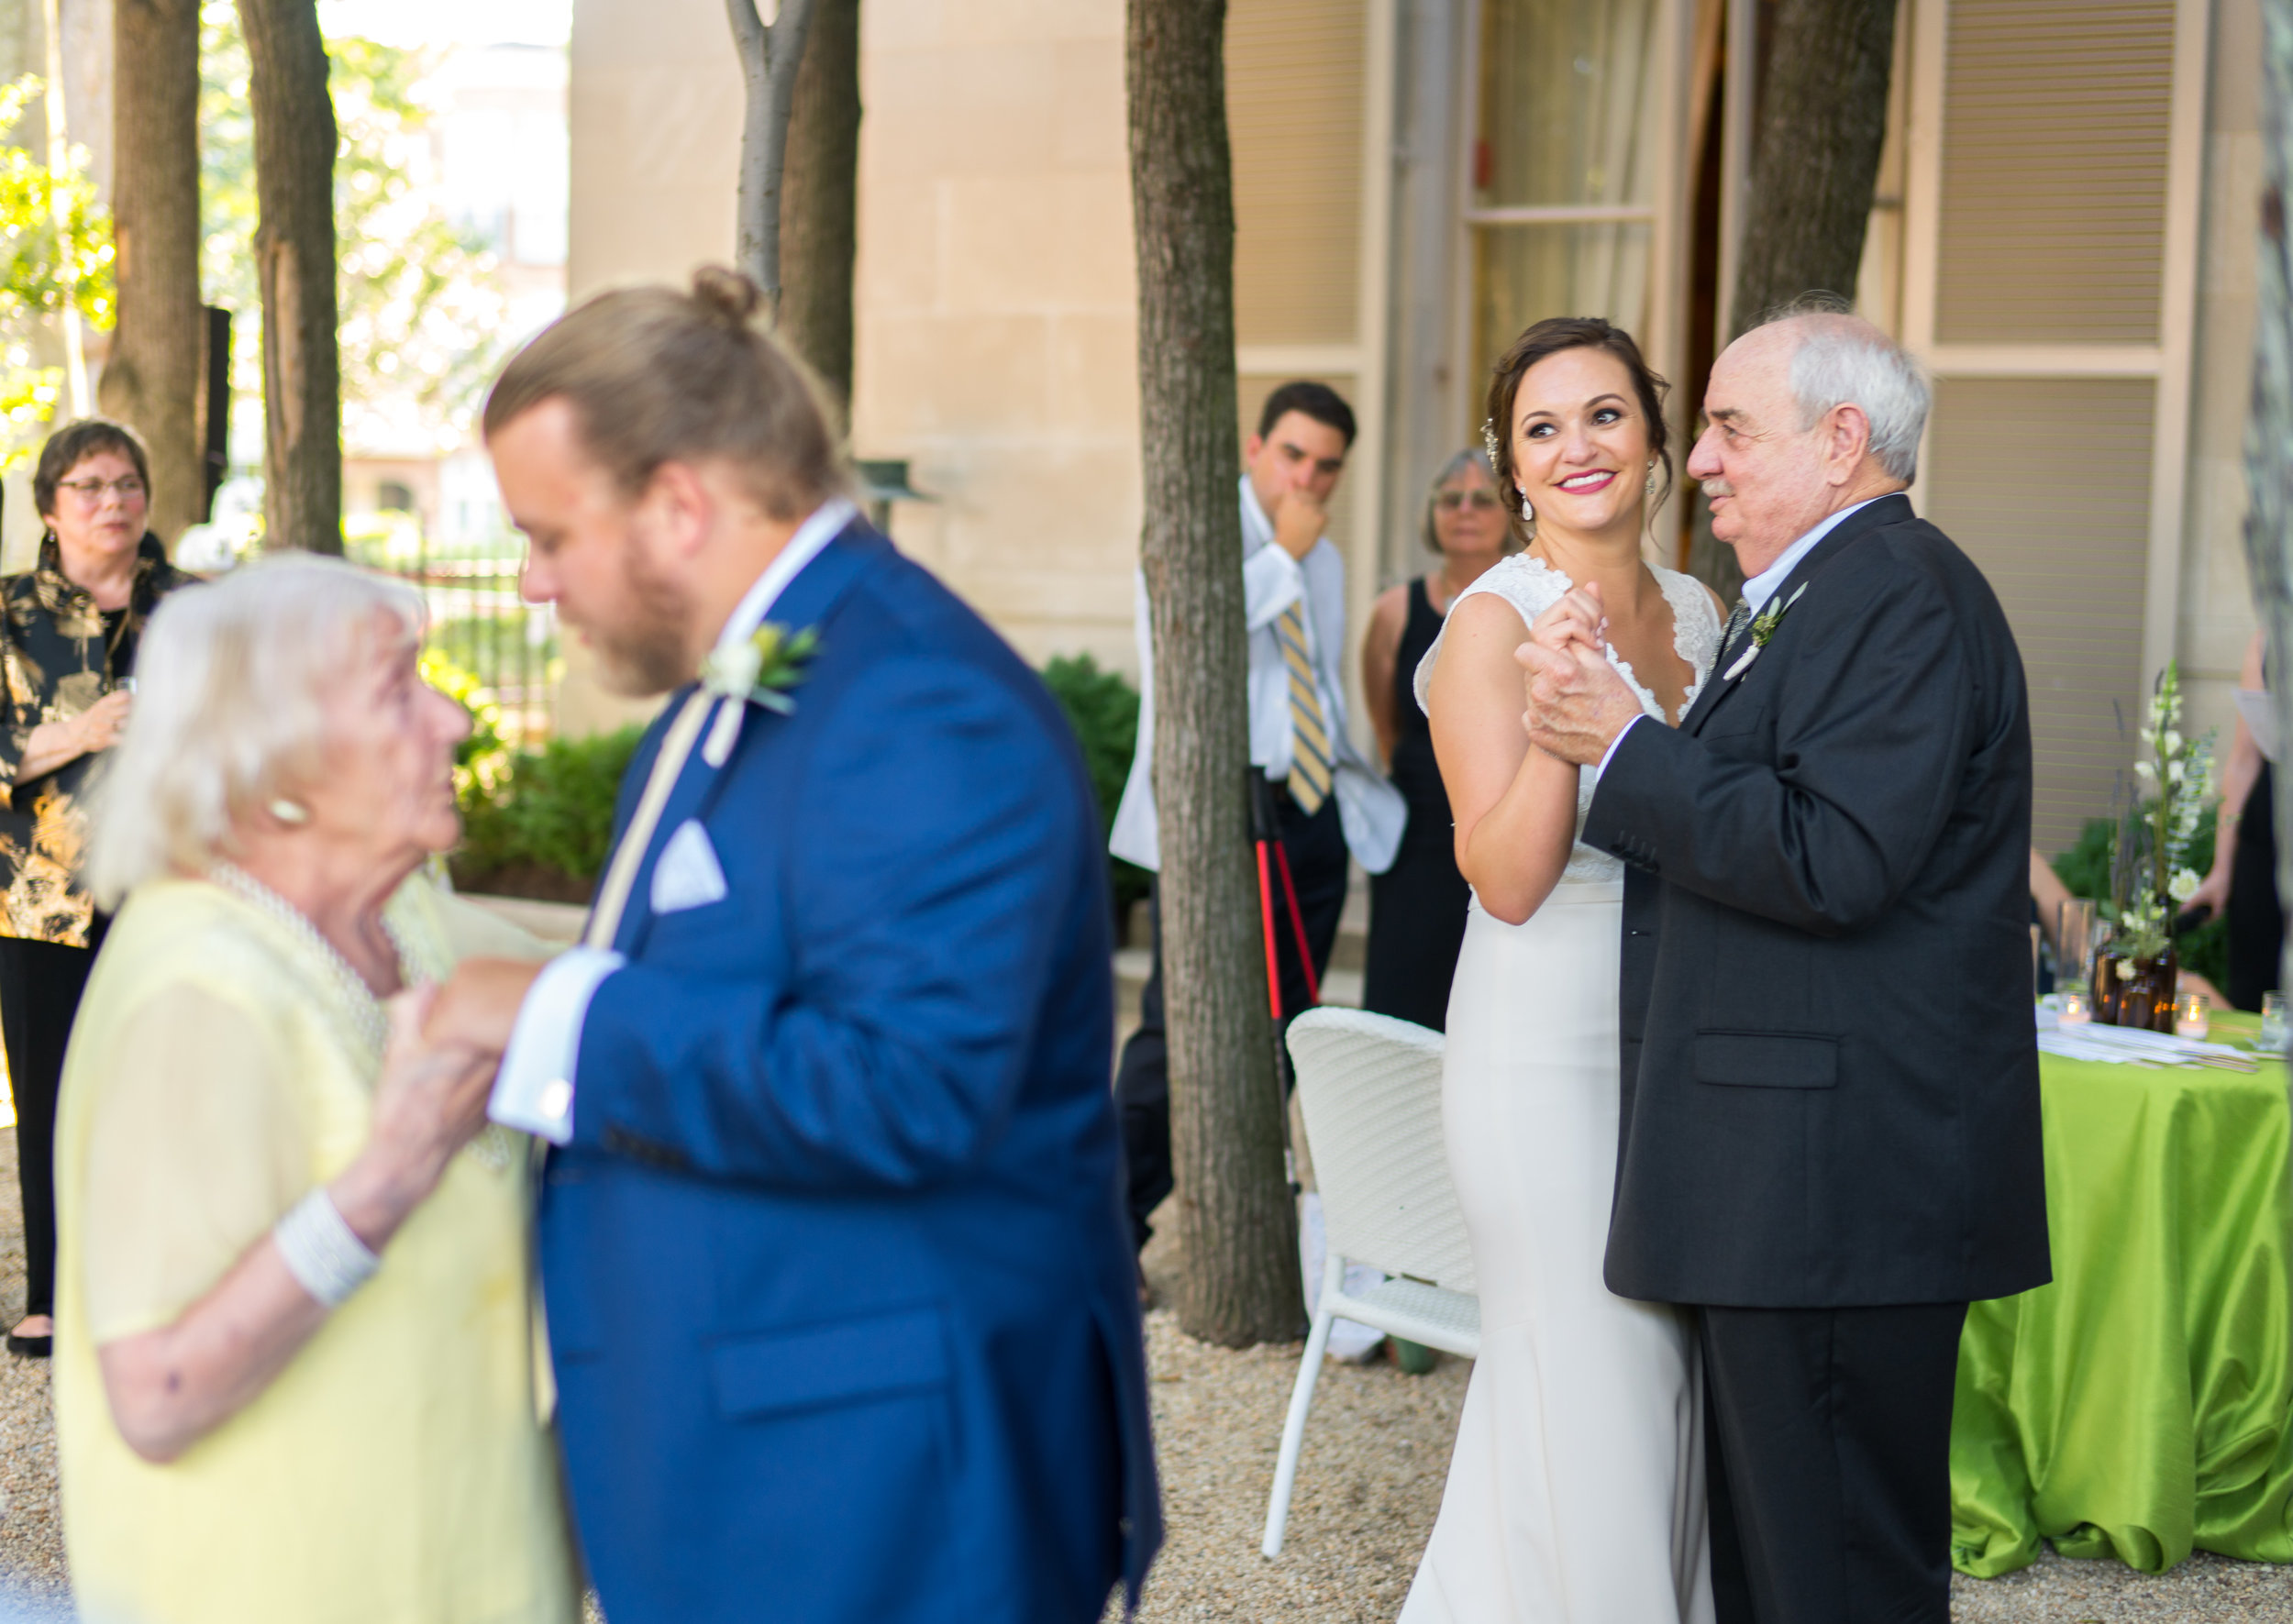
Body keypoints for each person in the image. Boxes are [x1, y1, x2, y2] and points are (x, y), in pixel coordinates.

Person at [427, 268, 1158, 1624]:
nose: (531, 580)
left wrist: (553, 1014)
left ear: (680, 502)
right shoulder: (719, 699)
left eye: (548, 532)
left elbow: (910, 1083)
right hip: (743, 1462)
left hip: (885, 1494)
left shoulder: (921, 703)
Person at [1523, 301, 2051, 1624]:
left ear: (1842, 441)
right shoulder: (1821, 590)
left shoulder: (1903, 595)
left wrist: (1623, 748)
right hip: (1794, 1180)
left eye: (1727, 427)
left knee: (1836, 1572)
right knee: (1776, 1565)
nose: (1697, 459)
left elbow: (1836, 857)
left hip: (1838, 1184)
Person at [51, 557, 577, 1623]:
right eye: (398, 689)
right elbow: (156, 1395)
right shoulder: (196, 992)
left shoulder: (404, 920)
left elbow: (604, 985)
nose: (451, 722)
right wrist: (388, 1179)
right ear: (272, 760)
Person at [1400, 319, 1723, 1622]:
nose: (1577, 445)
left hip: (1681, 1034)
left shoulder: (1701, 608)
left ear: (1653, 438)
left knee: (1660, 1378)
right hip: (1542, 1048)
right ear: (1511, 467)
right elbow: (1510, 879)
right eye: (1542, 427)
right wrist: (1560, 712)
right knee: (1592, 1368)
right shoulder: (1493, 620)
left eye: (1605, 414)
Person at [1108, 382, 1404, 1254]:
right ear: (1253, 447)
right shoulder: (1196, 532)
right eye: (1293, 455)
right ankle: (1108, 1226)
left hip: (1310, 812)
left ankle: (1248, 1218)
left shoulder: (1329, 557)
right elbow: (1189, 644)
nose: (1308, 477)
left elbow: (1312, 681)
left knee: (1287, 1031)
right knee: (1177, 1030)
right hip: (1220, 816)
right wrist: (1280, 553)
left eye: (1327, 465)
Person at [0, 418, 195, 1358]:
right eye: (88, 486)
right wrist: (80, 734)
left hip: (175, 883)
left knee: (167, 1081)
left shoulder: (196, 608)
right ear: (49, 506)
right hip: (42, 896)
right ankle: (51, 1293)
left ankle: (165, 1282)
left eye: (126, 485)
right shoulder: (7, 614)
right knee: (51, 1092)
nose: (112, 502)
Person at [1358, 449, 1509, 1032]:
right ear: (1433, 515)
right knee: (1405, 1000)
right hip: (1415, 832)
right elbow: (1386, 723)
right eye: (1451, 499)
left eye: (1481, 498)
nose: (1465, 511)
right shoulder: (1395, 612)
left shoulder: (1533, 600)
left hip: (1501, 826)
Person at [2188, 631, 2280, 1009]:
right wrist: (2223, 869)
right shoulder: (2268, 638)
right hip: (2266, 838)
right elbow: (2243, 760)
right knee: (2254, 994)